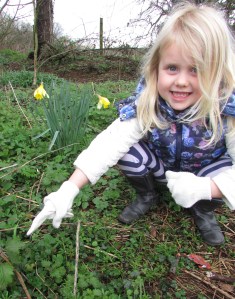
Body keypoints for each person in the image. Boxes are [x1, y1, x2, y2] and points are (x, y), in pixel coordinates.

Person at [27, 2, 235, 246]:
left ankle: (203, 209)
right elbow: (109, 143)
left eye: (196, 70)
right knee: (126, 151)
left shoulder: (226, 110)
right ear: (155, 69)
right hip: (163, 169)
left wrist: (208, 188)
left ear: (218, 73)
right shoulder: (149, 103)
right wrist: (68, 189)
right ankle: (148, 195)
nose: (181, 81)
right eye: (172, 68)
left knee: (224, 171)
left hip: (204, 172)